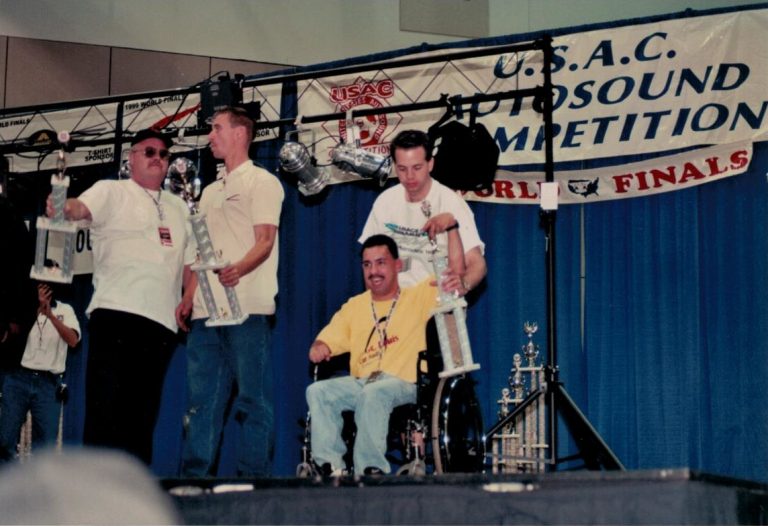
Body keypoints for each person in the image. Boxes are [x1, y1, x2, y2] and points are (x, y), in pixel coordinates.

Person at [49, 128, 195, 465]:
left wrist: (188, 298)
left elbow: (191, 263)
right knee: (105, 411)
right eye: (150, 152)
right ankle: (98, 503)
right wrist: (62, 206)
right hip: (116, 314)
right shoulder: (111, 190)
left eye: (163, 154)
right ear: (131, 157)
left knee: (142, 419)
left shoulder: (180, 207)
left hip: (160, 325)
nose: (158, 159)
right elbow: (77, 208)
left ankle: (132, 502)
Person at [176, 106, 284, 477]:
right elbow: (198, 251)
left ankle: (252, 483)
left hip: (247, 309)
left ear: (240, 134)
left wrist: (240, 268)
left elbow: (265, 240)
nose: (211, 136)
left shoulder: (263, 183)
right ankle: (194, 481)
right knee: (201, 402)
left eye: (217, 128)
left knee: (253, 401)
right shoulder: (207, 192)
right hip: (207, 312)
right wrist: (188, 295)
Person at [306, 232, 465, 476]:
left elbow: (455, 273)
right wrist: (320, 346)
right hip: (362, 382)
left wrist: (451, 228)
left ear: (397, 265)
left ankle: (370, 469)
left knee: (373, 393)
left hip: (403, 383)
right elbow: (327, 338)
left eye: (381, 263)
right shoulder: (354, 306)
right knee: (317, 391)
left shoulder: (418, 296)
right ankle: (331, 467)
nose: (373, 271)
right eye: (367, 265)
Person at [359, 129, 487, 295]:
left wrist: (464, 283)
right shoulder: (385, 201)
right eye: (402, 169)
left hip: (439, 302)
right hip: (395, 303)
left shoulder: (451, 203)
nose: (410, 176)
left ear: (430, 164)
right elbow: (370, 261)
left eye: (417, 167)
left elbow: (477, 263)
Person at [0, 281, 80, 462]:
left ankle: (37, 488)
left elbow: (74, 340)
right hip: (18, 377)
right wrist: (33, 309)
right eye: (41, 285)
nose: (44, 289)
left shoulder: (65, 310)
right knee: (4, 439)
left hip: (48, 382)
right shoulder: (22, 308)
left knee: (45, 447)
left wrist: (50, 315)